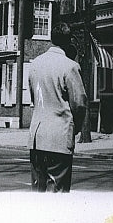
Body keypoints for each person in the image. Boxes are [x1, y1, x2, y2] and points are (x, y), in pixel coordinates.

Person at [27, 21, 87, 192]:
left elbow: (35, 98)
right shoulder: (70, 67)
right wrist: (75, 127)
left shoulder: (35, 64)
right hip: (59, 137)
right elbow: (80, 102)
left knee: (38, 192)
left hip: (37, 137)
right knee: (57, 193)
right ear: (69, 41)